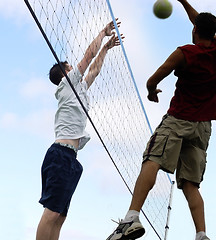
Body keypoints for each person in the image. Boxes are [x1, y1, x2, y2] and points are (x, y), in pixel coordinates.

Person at [106, 1, 216, 240]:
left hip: (179, 119)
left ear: (194, 31)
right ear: (213, 33)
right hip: (203, 127)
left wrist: (152, 92)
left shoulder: (185, 53)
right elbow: (200, 21)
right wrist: (183, 1)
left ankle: (131, 218)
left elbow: (153, 79)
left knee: (152, 160)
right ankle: (201, 235)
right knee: (191, 184)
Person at [36, 20, 123, 240]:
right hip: (60, 155)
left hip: (70, 158)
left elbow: (93, 69)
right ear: (66, 74)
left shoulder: (78, 89)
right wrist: (103, 33)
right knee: (51, 213)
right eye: (71, 68)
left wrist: (105, 49)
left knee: (61, 216)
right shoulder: (67, 85)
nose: (76, 69)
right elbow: (87, 58)